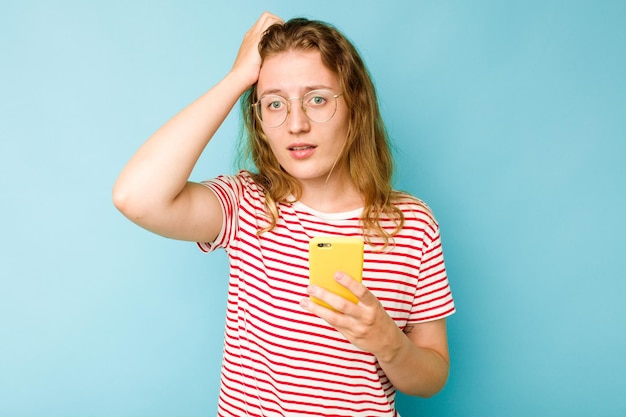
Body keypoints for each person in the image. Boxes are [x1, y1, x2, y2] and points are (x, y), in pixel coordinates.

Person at [113, 11, 455, 417]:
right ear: (259, 122)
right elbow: (135, 196)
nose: (296, 124)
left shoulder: (411, 224)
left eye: (317, 99)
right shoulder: (247, 205)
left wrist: (388, 341)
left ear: (355, 106)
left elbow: (432, 378)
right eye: (274, 104)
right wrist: (237, 78)